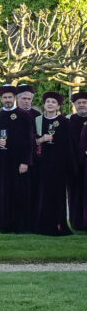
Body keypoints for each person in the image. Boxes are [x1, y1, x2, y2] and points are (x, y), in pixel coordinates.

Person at [0, 83, 34, 233]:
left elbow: (29, 141)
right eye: (5, 98)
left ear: (15, 98)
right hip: (1, 161)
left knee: (19, 194)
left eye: (10, 97)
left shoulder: (24, 115)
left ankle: (19, 226)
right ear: (1, 99)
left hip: (18, 161)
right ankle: (4, 225)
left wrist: (25, 161)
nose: (8, 100)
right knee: (3, 192)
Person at [32, 92, 72, 236]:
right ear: (44, 104)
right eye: (47, 101)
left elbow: (69, 145)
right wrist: (42, 139)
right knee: (42, 195)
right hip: (41, 165)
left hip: (59, 165)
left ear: (58, 106)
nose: (50, 104)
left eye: (53, 102)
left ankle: (58, 225)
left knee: (57, 195)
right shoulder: (37, 120)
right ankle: (41, 225)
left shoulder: (65, 122)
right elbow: (31, 141)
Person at [67, 90, 87, 230]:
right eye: (78, 103)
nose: (81, 105)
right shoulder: (69, 121)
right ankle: (76, 223)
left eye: (84, 102)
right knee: (75, 193)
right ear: (74, 105)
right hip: (73, 163)